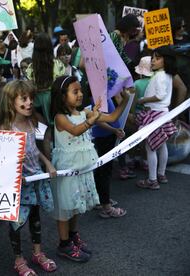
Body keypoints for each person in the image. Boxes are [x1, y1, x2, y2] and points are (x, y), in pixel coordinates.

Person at [50, 75, 130, 262]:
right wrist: (91, 120)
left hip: (82, 168)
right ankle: (64, 245)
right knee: (65, 208)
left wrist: (125, 99)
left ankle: (72, 235)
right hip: (67, 169)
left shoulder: (84, 112)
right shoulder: (60, 117)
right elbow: (75, 130)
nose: (80, 94)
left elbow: (112, 117)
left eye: (80, 90)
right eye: (75, 91)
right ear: (62, 96)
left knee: (76, 205)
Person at [0, 80, 57, 276]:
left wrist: (47, 163)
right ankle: (18, 259)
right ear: (10, 102)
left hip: (35, 178)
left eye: (31, 98)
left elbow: (34, 149)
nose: (30, 102)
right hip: (19, 185)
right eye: (24, 99)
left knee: (35, 218)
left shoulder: (32, 122)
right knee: (16, 222)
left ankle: (37, 253)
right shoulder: (6, 128)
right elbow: (0, 160)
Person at [136, 46, 178, 190]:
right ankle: (161, 174)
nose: (153, 60)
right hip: (163, 113)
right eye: (153, 57)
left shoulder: (159, 76)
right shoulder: (167, 74)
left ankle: (152, 180)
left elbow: (159, 96)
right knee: (162, 145)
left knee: (150, 147)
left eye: (157, 58)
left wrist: (143, 100)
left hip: (155, 113)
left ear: (166, 60)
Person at [92, 98, 127, 218]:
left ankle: (100, 199)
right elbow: (97, 120)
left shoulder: (102, 94)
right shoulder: (98, 96)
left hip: (108, 135)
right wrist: (114, 130)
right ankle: (105, 205)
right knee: (105, 170)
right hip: (104, 136)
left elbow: (111, 117)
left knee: (102, 169)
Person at [26, 33, 54, 127]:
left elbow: (29, 87)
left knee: (42, 129)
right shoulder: (58, 65)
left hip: (36, 101)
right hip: (53, 100)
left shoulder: (31, 67)